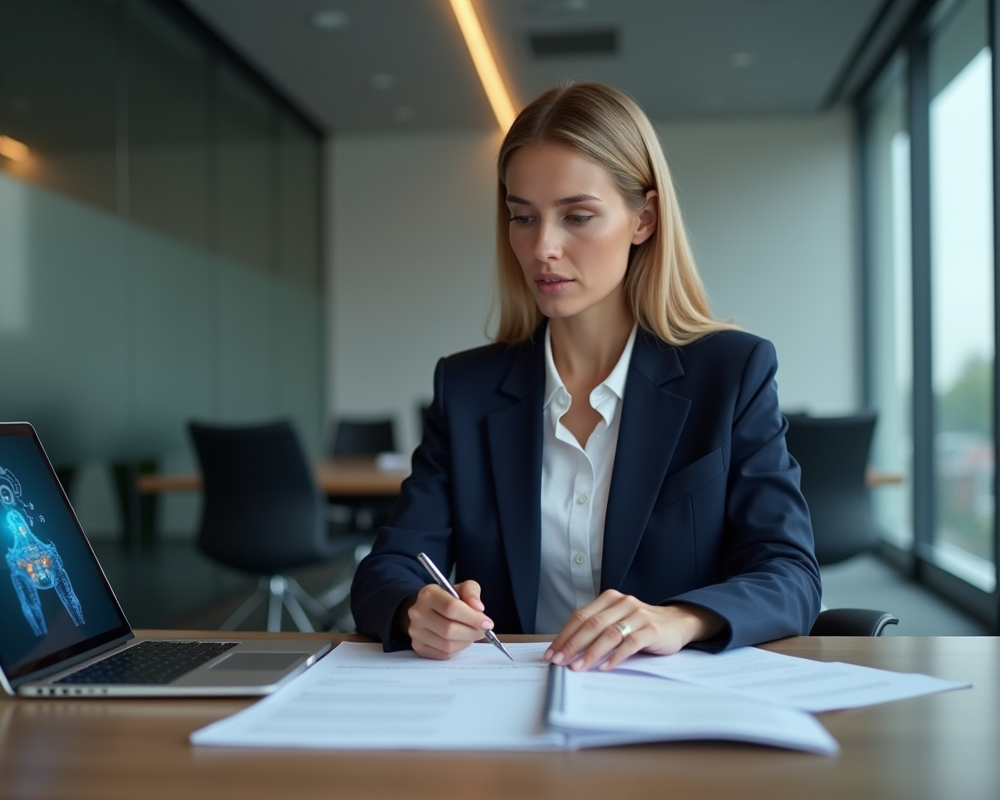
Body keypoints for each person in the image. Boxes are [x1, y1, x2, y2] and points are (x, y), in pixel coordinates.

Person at [350, 82, 821, 672]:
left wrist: (677, 618)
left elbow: (790, 576)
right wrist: (413, 610)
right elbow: (386, 569)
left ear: (643, 218)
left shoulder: (730, 373)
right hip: (502, 709)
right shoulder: (467, 388)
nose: (542, 247)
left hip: (668, 713)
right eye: (523, 217)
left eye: (577, 216)